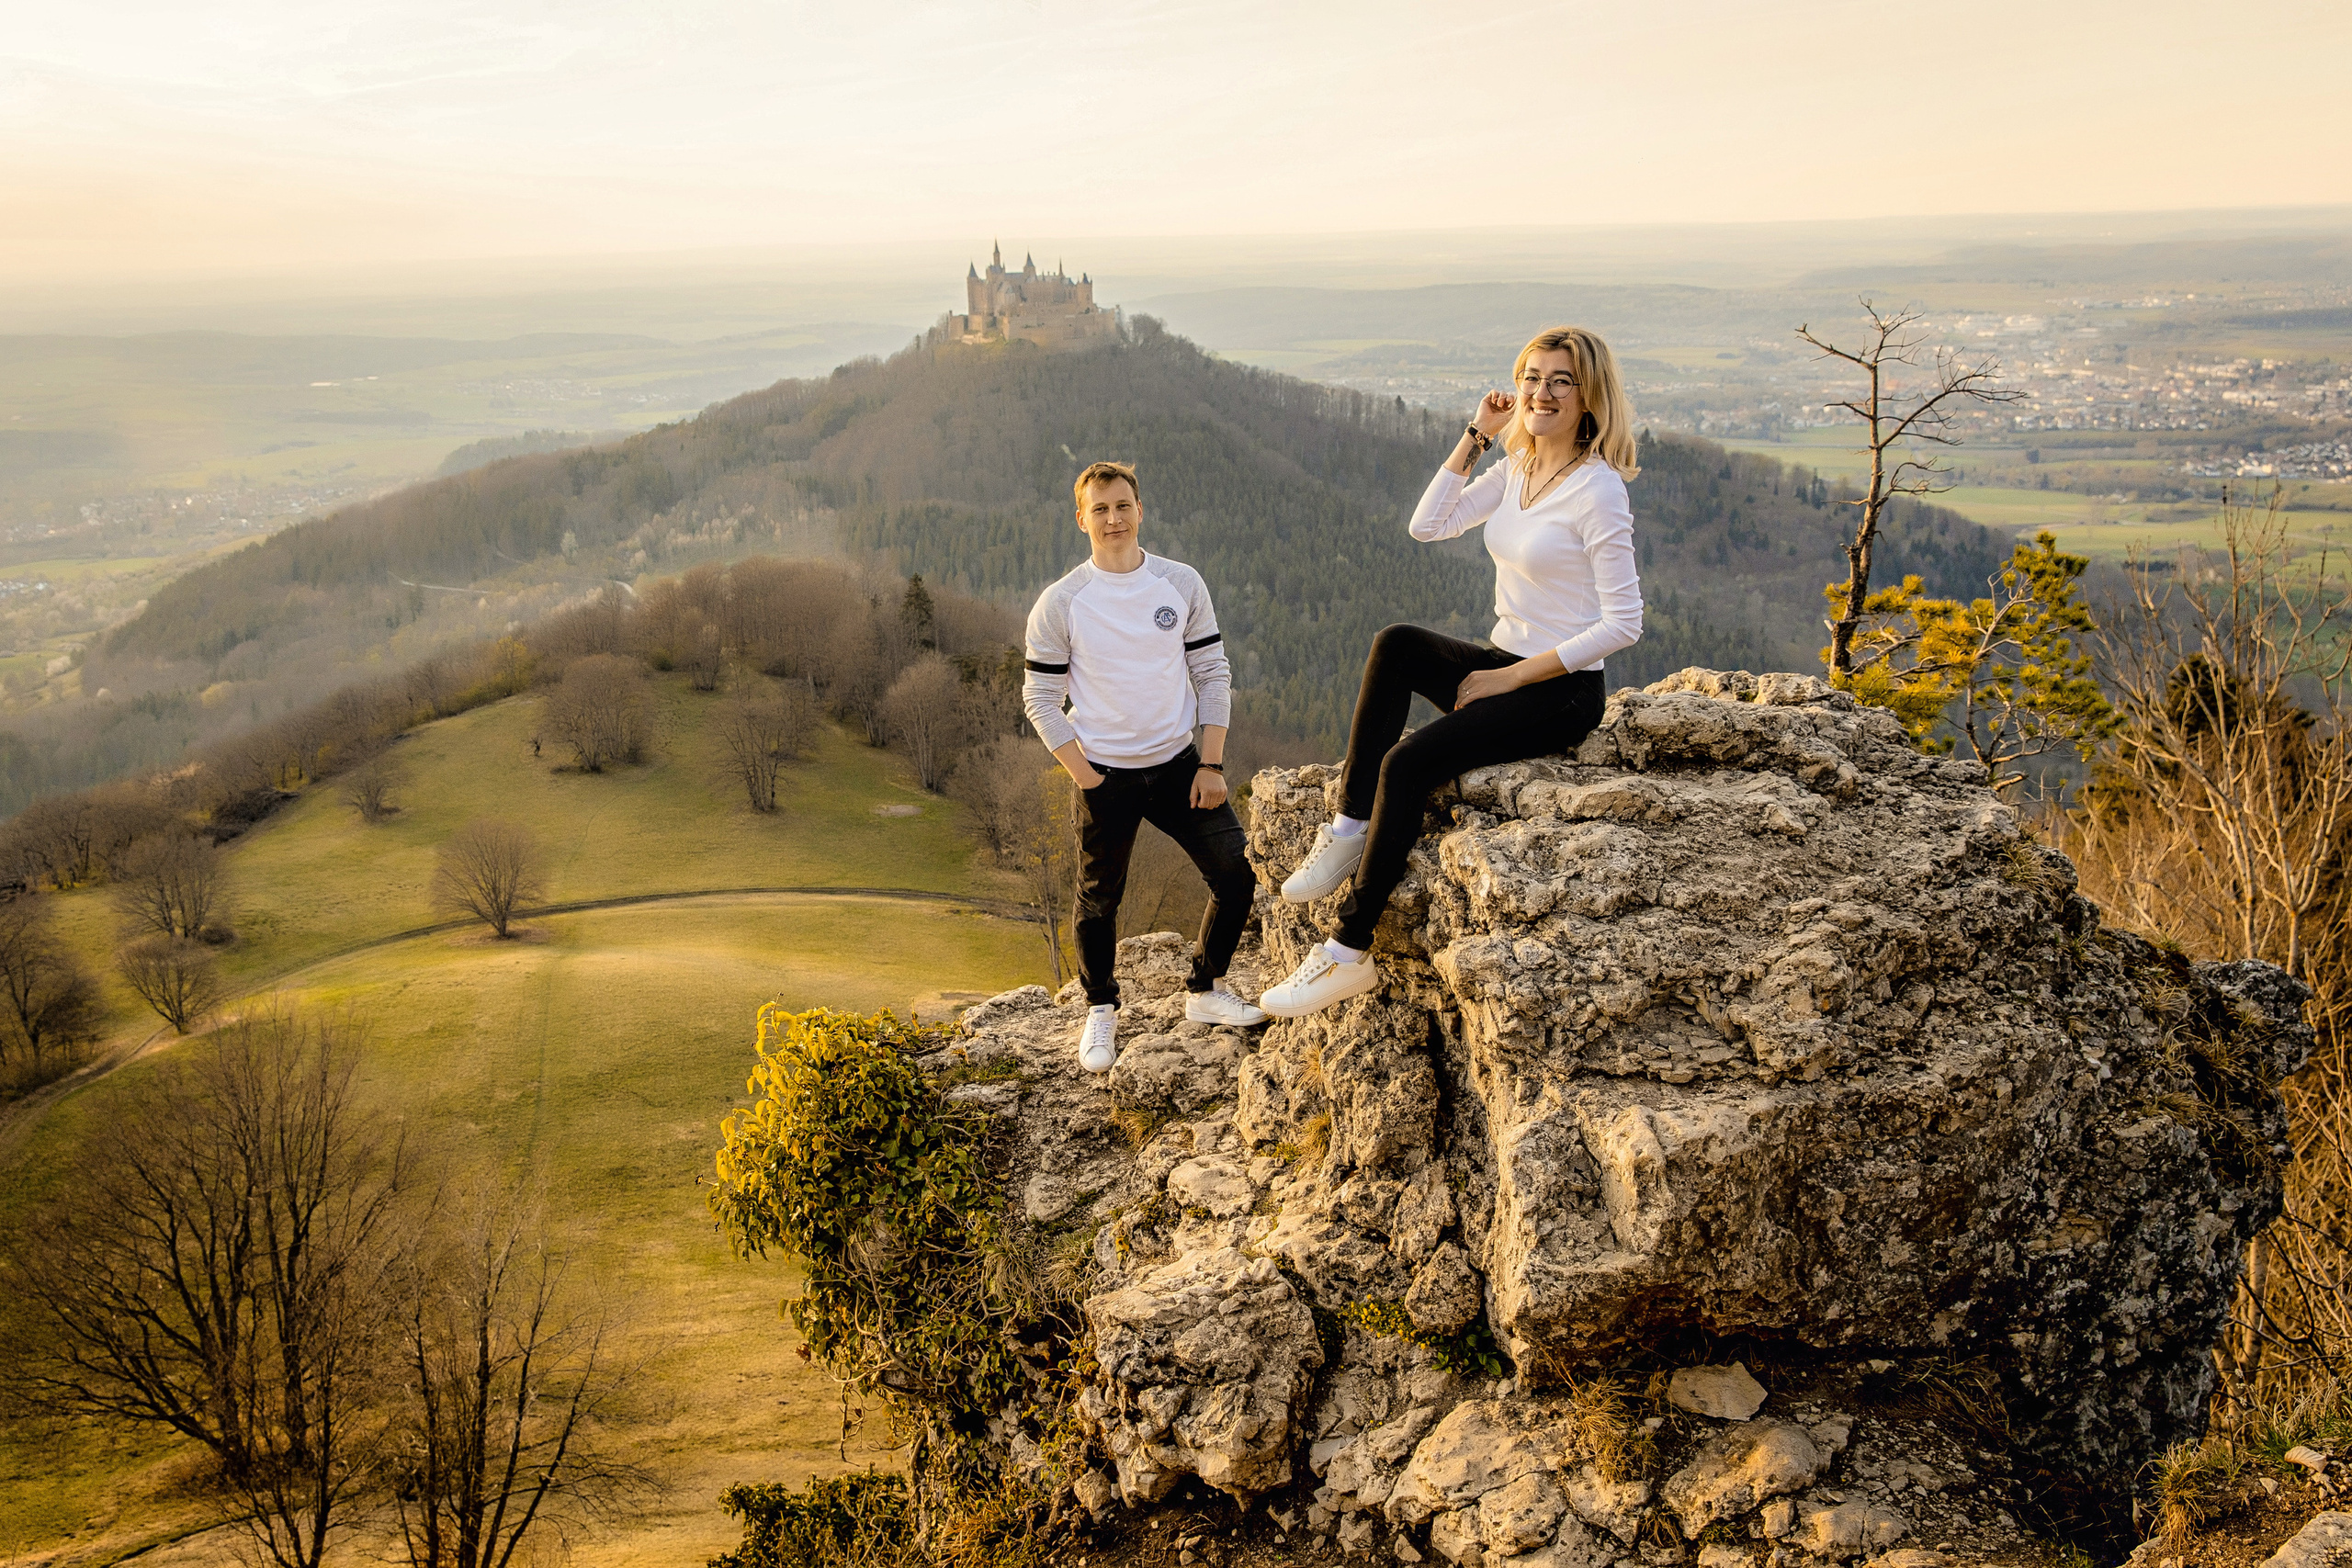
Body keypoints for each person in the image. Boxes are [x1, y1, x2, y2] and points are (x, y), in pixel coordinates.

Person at [1258, 326, 1645, 1018]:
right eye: (1532, 376)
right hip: (1505, 656)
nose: (1541, 391)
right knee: (1397, 643)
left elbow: (1622, 624)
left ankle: (1347, 951)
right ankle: (1349, 830)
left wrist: (1512, 678)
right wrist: (1478, 433)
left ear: (1589, 396)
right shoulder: (1519, 468)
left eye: (1560, 380)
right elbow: (1427, 525)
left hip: (1560, 690)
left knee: (1406, 764)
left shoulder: (1598, 490)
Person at [1023, 459, 1268, 1072]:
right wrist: (1085, 777)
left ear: (1140, 511)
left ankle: (1206, 990)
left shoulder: (1179, 584)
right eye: (1099, 508)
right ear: (1082, 518)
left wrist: (1211, 763)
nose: (1113, 518)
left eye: (1123, 505)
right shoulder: (1062, 602)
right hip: (1105, 772)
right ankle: (1101, 1008)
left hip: (1181, 765)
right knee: (1099, 899)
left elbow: (1212, 674)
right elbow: (1039, 700)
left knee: (1237, 875)